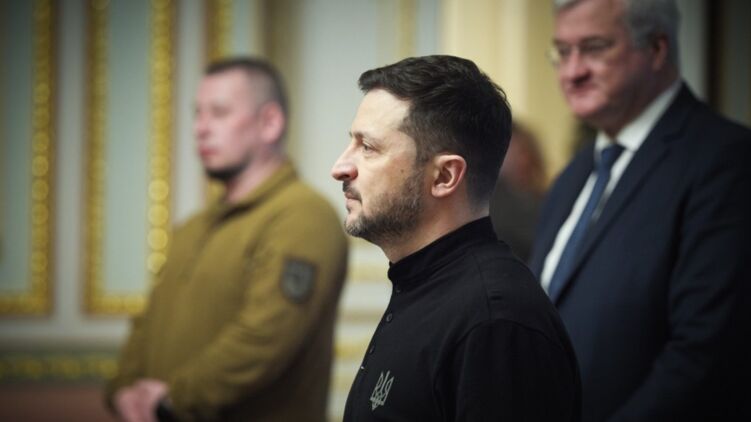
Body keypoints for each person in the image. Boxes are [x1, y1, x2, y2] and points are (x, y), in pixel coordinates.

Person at [530, 0, 751, 421]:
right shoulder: (573, 176)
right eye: (562, 51)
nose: (572, 72)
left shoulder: (725, 161)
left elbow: (705, 354)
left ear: (656, 48)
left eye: (594, 48)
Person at [331, 55, 581, 421]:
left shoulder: (494, 323)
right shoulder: (422, 283)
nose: (340, 167)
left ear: (445, 176)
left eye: (368, 147)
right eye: (351, 143)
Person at [105, 57, 349, 422]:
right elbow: (146, 323)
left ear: (269, 123)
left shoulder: (304, 216)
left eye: (219, 113)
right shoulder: (192, 227)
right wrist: (124, 389)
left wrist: (172, 400)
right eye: (197, 114)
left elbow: (264, 338)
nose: (200, 128)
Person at [489, 122, 547, 262]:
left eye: (526, 153)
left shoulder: (544, 198)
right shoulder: (492, 202)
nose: (524, 161)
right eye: (516, 155)